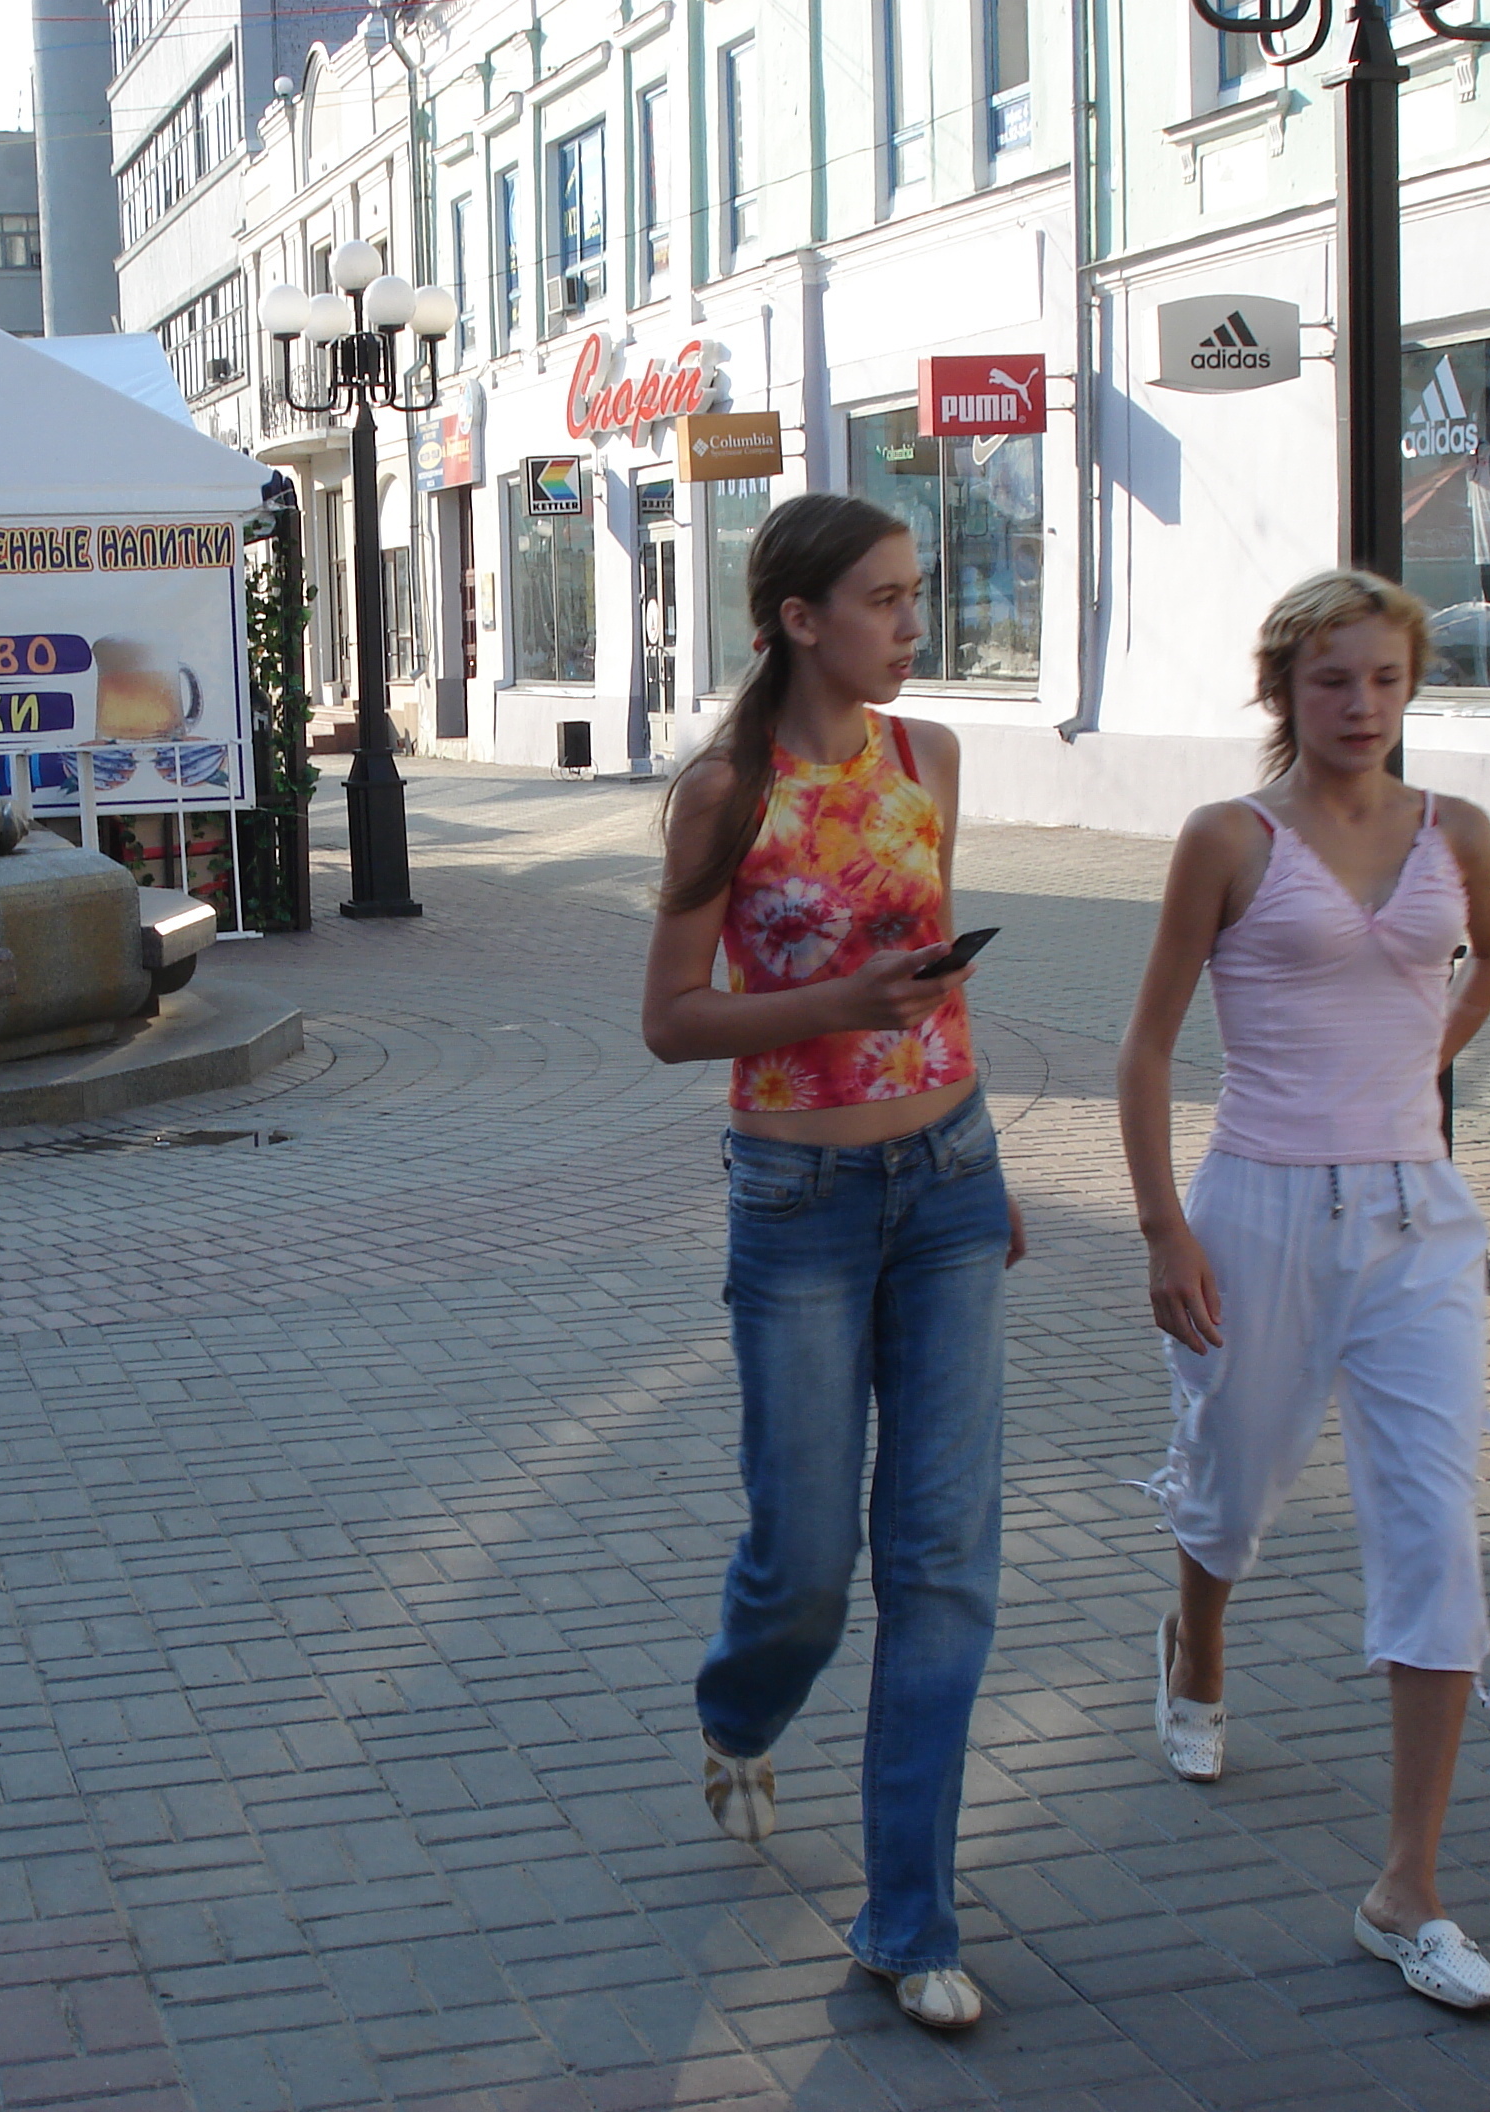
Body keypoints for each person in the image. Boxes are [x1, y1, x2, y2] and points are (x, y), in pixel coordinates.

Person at [642, 493, 1025, 2032]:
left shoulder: (928, 759)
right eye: (882, 601)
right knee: (806, 1563)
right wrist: (839, 1007)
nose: (909, 629)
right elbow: (671, 1019)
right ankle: (739, 1709)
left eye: (913, 597)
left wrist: (982, 1162)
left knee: (940, 1567)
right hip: (795, 1200)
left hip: (946, 1185)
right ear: (802, 618)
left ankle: (908, 1919)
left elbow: (933, 990)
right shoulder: (726, 792)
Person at [1116, 571, 1490, 2011]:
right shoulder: (1230, 839)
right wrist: (1166, 1230)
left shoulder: (1453, 833)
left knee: (1434, 1523)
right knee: (1237, 1481)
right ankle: (1199, 1638)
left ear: (1412, 689)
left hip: (1418, 1219)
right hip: (1260, 1206)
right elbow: (1149, 1044)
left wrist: (1424, 1061)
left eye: (1387, 682)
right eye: (1333, 682)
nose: (1362, 708)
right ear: (1283, 688)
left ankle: (1406, 1889)